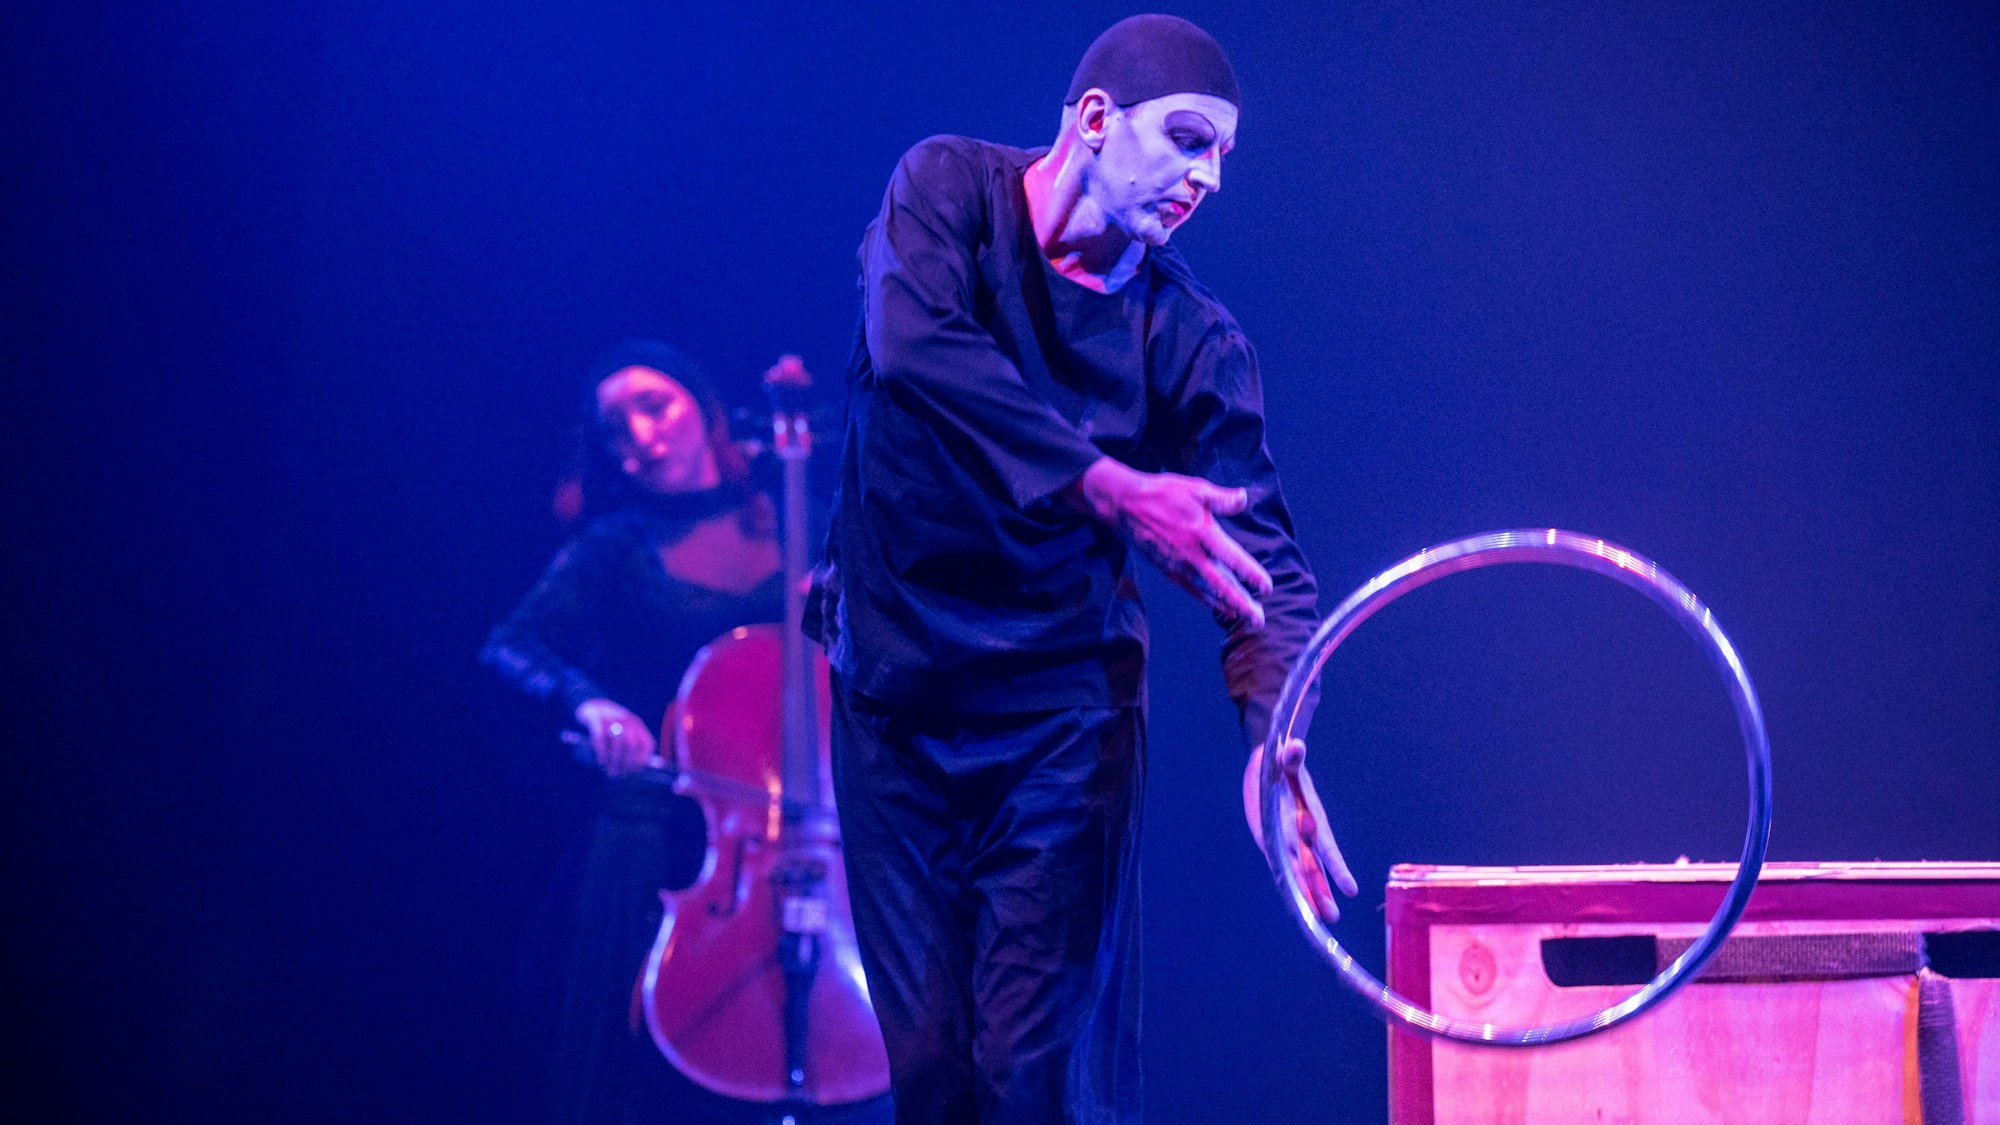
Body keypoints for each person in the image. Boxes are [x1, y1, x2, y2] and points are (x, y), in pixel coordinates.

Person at [806, 14, 1357, 1123]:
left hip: (1060, 730)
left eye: (1221, 157)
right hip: (894, 710)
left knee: (1034, 1080)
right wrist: (1110, 485)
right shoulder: (946, 195)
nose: (1207, 179)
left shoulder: (1188, 338)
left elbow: (1266, 572)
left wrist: (1272, 735)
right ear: (1096, 119)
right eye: (1188, 139)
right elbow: (914, 350)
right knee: (930, 1077)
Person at [484, 340, 888, 1125]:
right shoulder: (617, 546)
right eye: (614, 430)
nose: (639, 437)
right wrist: (590, 704)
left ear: (704, 409)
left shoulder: (798, 517)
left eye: (655, 406)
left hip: (813, 827)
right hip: (669, 833)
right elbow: (513, 644)